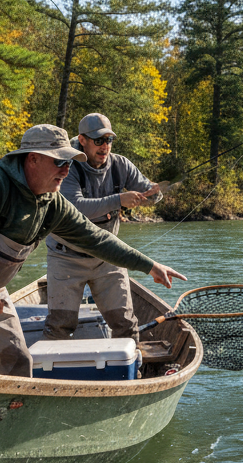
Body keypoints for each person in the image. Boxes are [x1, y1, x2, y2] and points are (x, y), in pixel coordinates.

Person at [0, 123, 185, 377]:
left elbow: (96, 239)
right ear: (33, 159)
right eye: (60, 162)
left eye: (70, 162)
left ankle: (10, 419)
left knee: (16, 363)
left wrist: (150, 266)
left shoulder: (53, 203)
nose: (66, 169)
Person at [42, 112, 164, 341]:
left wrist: (154, 194)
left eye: (109, 140)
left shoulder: (121, 164)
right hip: (66, 257)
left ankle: (131, 372)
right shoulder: (66, 166)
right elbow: (75, 208)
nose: (105, 146)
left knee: (126, 324)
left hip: (107, 257)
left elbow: (150, 192)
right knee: (60, 326)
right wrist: (119, 199)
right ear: (82, 140)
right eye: (98, 140)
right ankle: (54, 376)